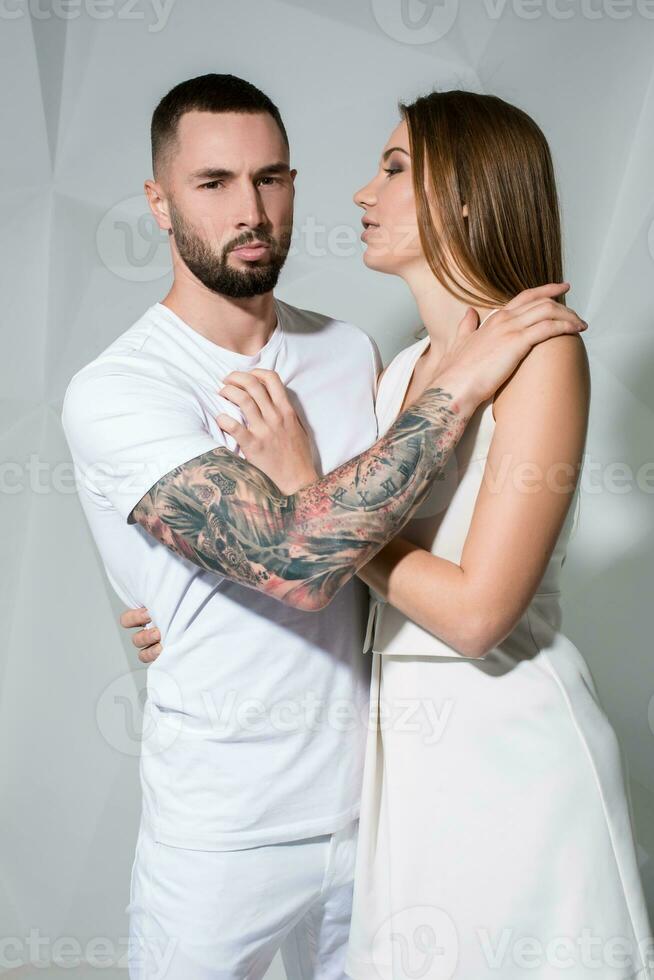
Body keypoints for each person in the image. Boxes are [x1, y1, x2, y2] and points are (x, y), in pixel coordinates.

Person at [62, 74, 588, 980]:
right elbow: (295, 561)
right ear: (158, 201)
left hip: (384, 805)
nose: (251, 208)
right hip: (224, 834)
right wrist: (180, 606)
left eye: (272, 178)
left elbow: (388, 537)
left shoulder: (351, 354)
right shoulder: (120, 389)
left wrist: (282, 528)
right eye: (213, 182)